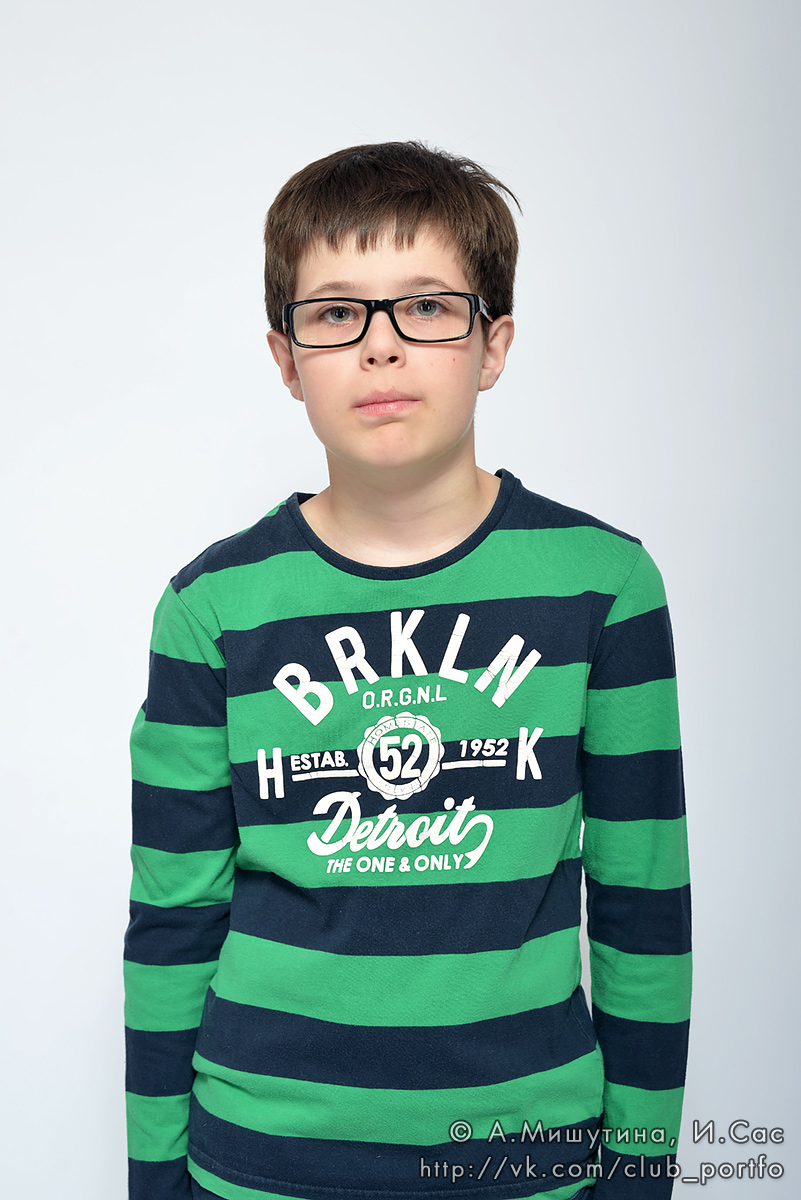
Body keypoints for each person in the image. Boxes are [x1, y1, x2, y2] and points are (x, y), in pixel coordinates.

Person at [124, 141, 691, 1200]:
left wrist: (639, 1176)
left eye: (426, 307)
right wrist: (155, 1181)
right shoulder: (211, 609)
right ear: (286, 359)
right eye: (337, 313)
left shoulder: (604, 587)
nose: (380, 346)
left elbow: (643, 905)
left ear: (492, 344)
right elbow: (173, 922)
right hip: (261, 1164)